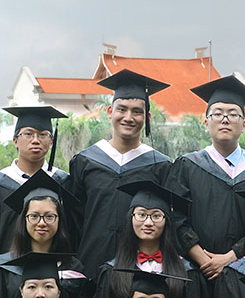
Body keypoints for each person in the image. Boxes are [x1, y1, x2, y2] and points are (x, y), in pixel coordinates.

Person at [66, 70, 174, 272]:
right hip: (89, 266)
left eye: (137, 111)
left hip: (141, 272)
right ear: (110, 112)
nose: (128, 117)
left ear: (147, 117)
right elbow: (73, 220)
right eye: (121, 109)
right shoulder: (85, 162)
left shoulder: (160, 166)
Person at [170, 75, 245, 289]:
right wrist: (204, 260)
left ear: (244, 125)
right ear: (206, 123)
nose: (225, 119)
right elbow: (176, 218)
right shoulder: (188, 166)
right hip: (197, 273)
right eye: (217, 114)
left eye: (233, 114)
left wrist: (230, 257)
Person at [94, 172, 206, 298]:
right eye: (141, 214)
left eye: (156, 215)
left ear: (166, 221)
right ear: (130, 218)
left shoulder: (186, 272)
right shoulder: (111, 271)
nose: (148, 222)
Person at [0, 107, 72, 271]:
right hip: (6, 276)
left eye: (43, 135)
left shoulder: (65, 183)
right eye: (28, 134)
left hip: (54, 277)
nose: (36, 140)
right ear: (15, 140)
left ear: (51, 141)